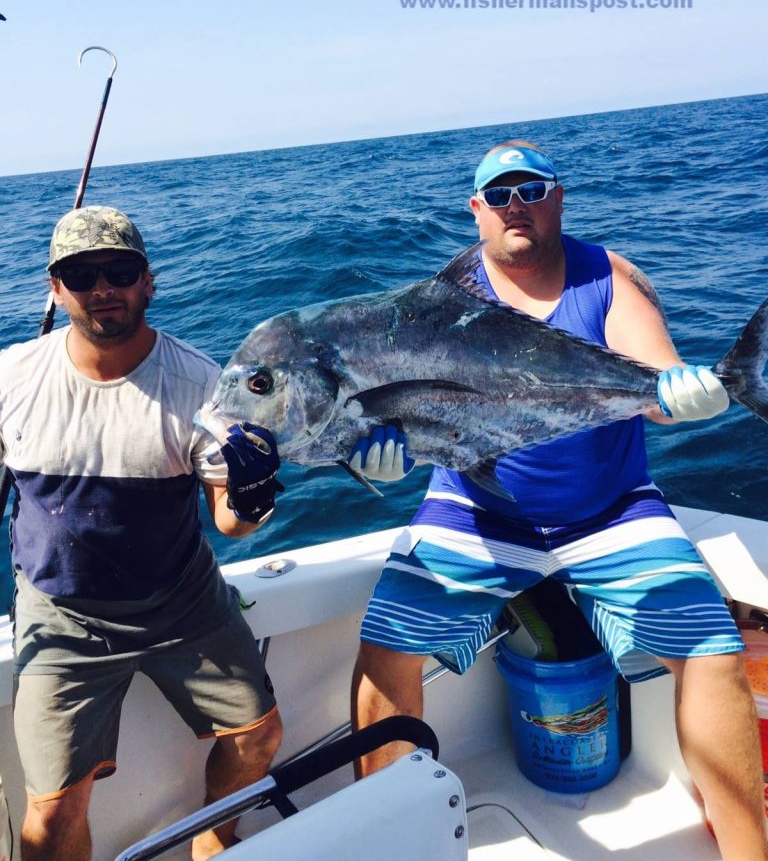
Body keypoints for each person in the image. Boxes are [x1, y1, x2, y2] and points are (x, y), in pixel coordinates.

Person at [349, 141, 768, 861]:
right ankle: (396, 846)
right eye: (500, 195)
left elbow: (656, 377)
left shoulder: (609, 274)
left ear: (558, 197)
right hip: (475, 508)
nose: (517, 207)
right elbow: (398, 409)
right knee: (386, 652)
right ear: (475, 210)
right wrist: (373, 455)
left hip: (610, 508)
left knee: (712, 652)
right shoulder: (436, 303)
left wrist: (683, 393)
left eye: (531, 190)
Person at [0, 206, 288, 861]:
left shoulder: (202, 386)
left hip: (182, 603)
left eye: (120, 270)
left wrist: (253, 491)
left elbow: (231, 524)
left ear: (148, 283)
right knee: (49, 810)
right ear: (55, 289)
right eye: (81, 275)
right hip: (61, 616)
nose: (102, 287)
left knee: (258, 736)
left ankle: (212, 845)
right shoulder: (11, 379)